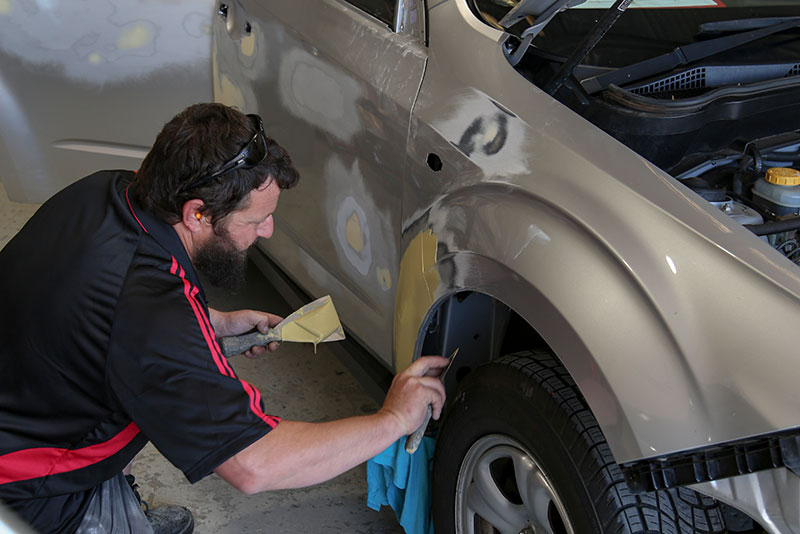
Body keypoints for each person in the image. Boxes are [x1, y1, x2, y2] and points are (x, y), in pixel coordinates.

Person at [0, 103, 448, 533]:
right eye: (257, 220)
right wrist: (392, 419)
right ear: (197, 213)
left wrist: (209, 323)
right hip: (25, 492)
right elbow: (255, 464)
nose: (268, 231)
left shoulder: (108, 190)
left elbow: (99, 309)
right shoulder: (152, 312)